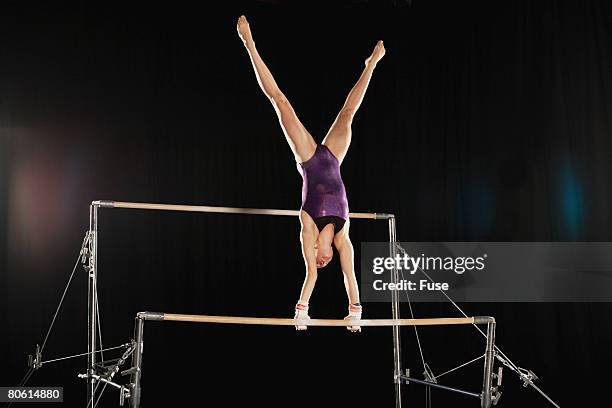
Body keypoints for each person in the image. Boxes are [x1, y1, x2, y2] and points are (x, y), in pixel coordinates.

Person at [236, 15, 385, 332]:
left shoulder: (307, 229)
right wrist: (355, 311)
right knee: (348, 112)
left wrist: (301, 313)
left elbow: (311, 277)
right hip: (332, 158)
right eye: (324, 259)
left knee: (281, 102)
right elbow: (350, 277)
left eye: (318, 258)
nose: (322, 261)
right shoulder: (343, 237)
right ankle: (371, 64)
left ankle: (248, 43)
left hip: (307, 159)